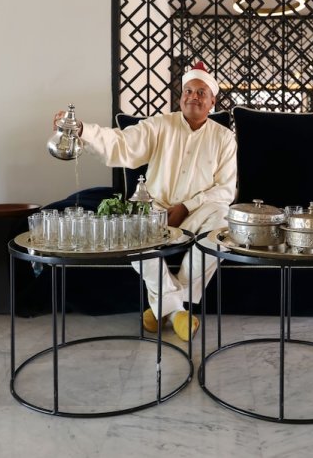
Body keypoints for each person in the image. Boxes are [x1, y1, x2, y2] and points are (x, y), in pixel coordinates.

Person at [54, 62, 237, 341]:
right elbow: (121, 144)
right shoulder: (160, 125)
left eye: (201, 92)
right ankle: (176, 311)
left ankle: (162, 307)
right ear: (181, 97)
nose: (193, 97)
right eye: (188, 91)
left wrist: (186, 207)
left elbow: (225, 189)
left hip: (200, 210)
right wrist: (81, 130)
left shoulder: (224, 138)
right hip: (155, 208)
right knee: (130, 230)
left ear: (212, 101)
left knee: (222, 224)